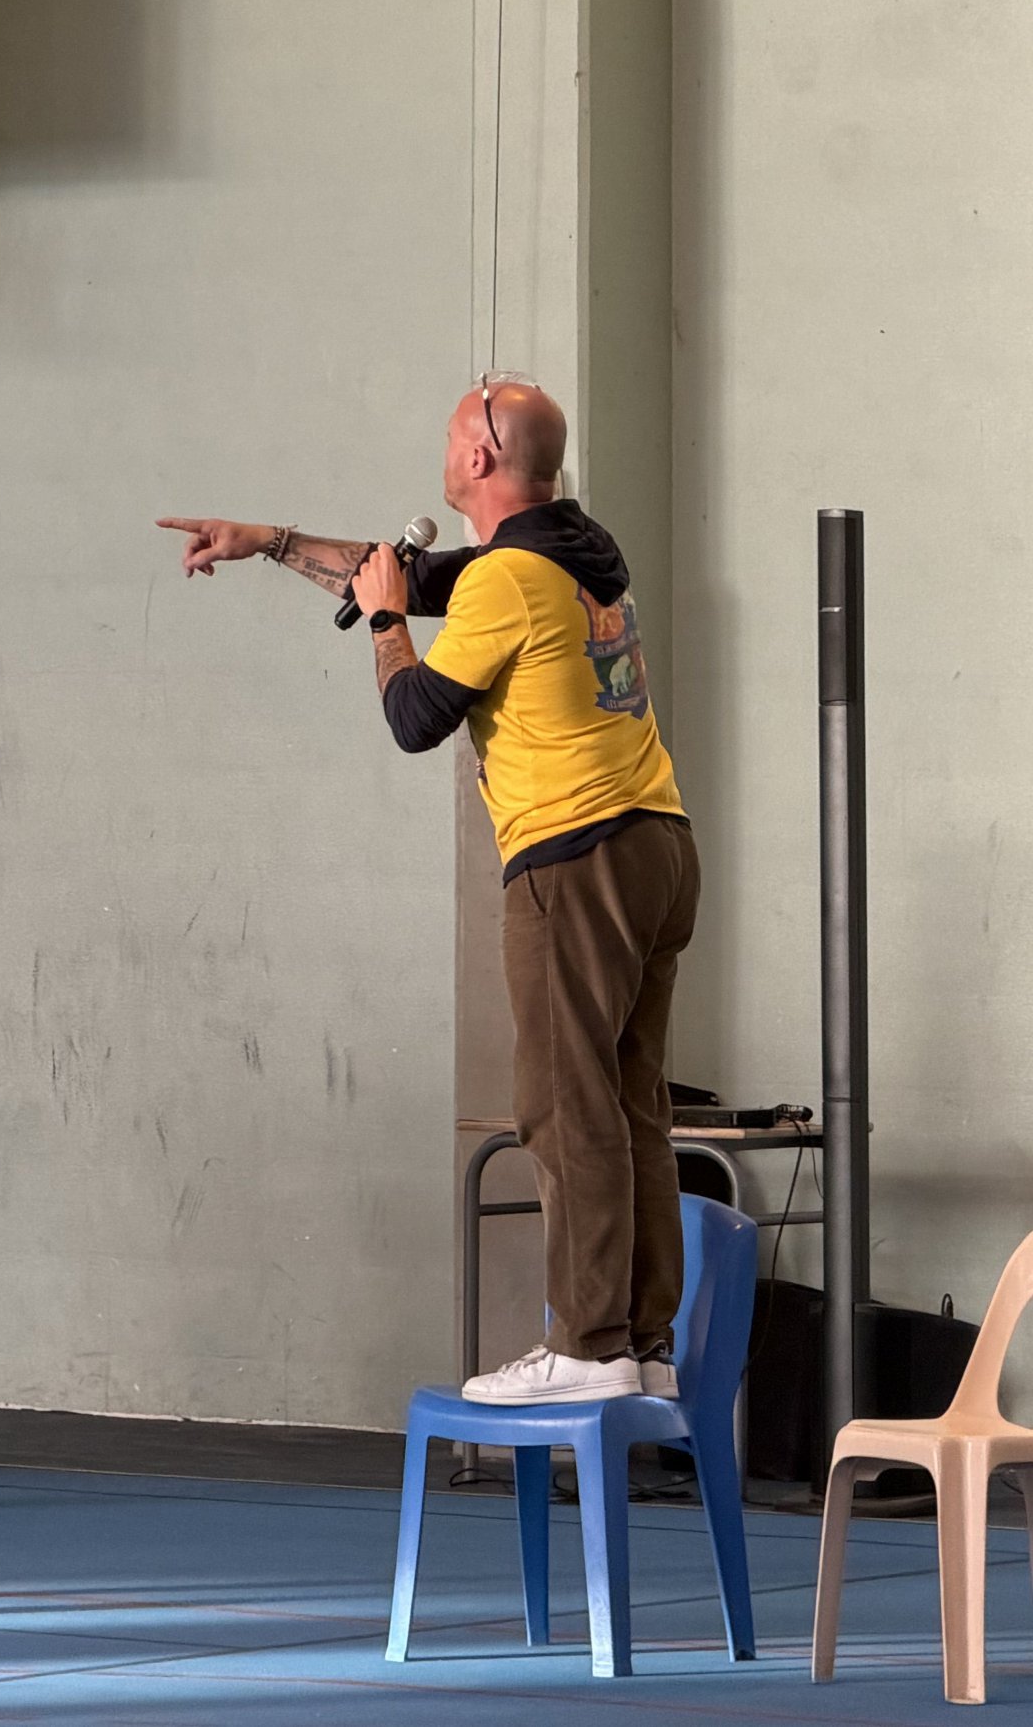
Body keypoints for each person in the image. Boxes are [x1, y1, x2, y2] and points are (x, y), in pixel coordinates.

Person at [159, 374, 696, 1405]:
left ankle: (590, 1348)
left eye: (453, 435)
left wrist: (384, 626)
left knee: (562, 1103)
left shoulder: (507, 581)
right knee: (631, 1105)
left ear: (479, 458)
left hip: (574, 855)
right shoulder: (569, 553)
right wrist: (267, 541)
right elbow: (407, 575)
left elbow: (414, 715)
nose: (444, 448)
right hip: (656, 843)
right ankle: (642, 1345)